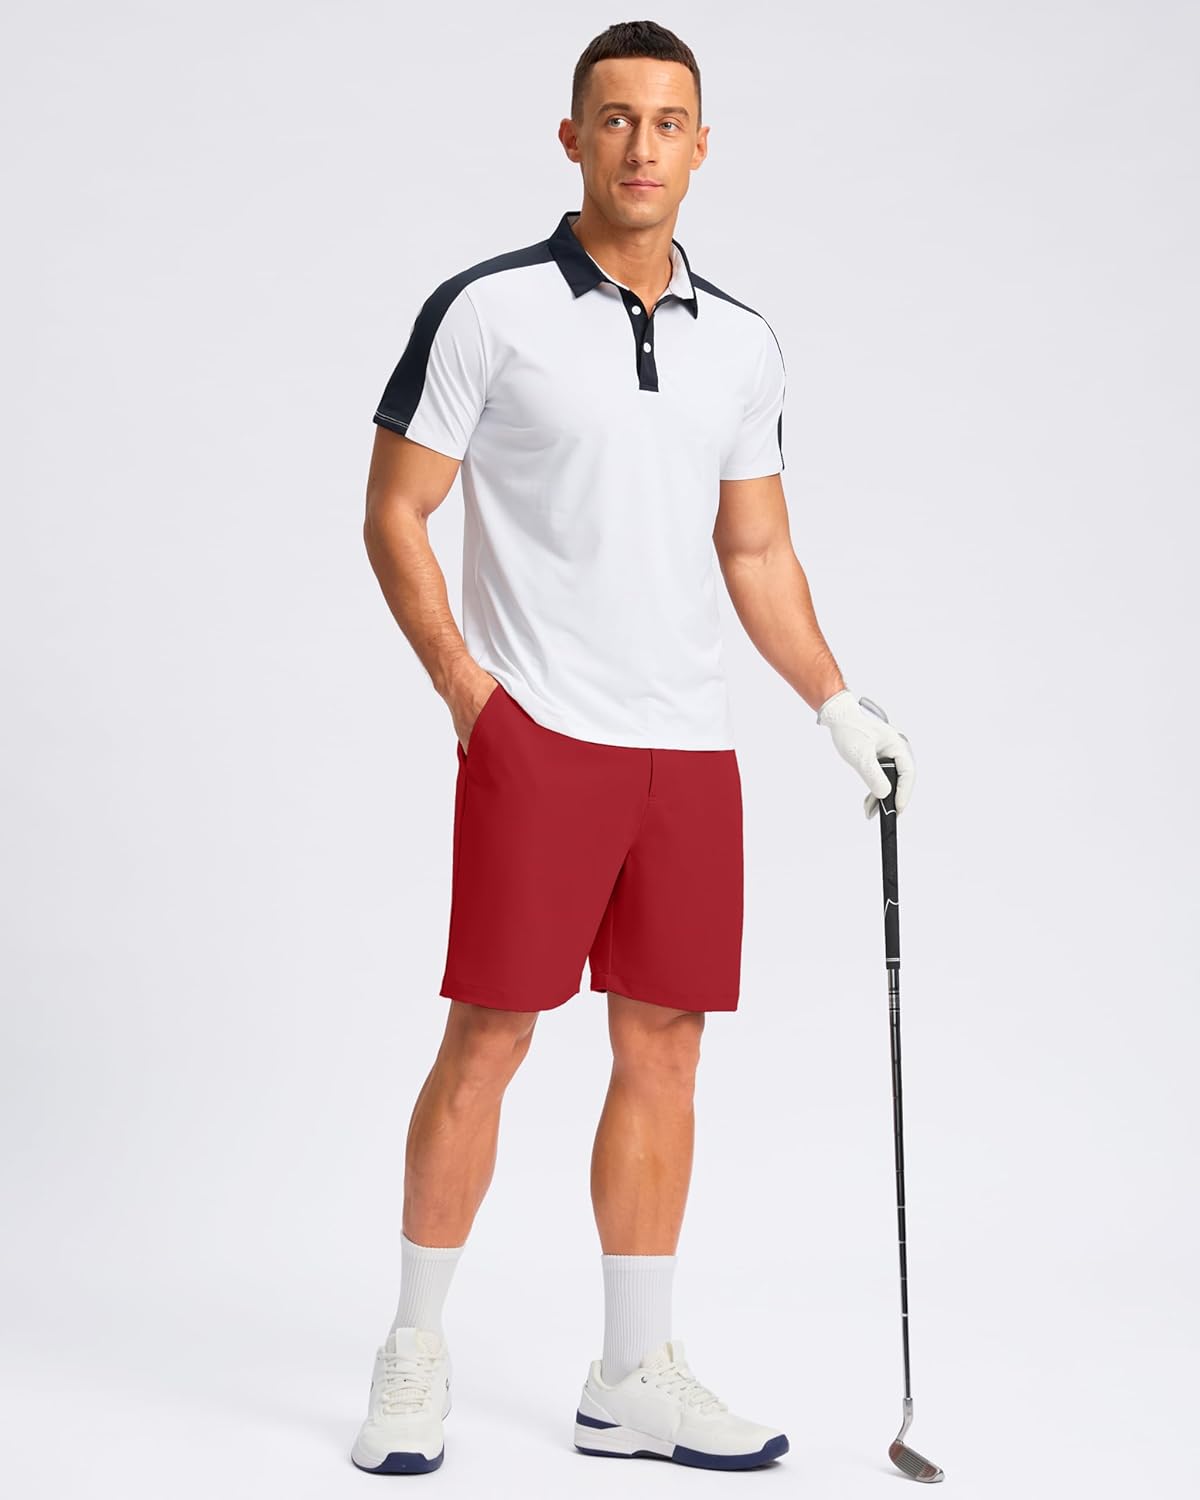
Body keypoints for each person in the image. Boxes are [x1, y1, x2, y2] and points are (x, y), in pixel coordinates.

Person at [351, 17, 916, 1478]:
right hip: (542, 737)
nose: (642, 145)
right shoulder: (488, 311)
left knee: (665, 1051)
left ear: (703, 146)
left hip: (688, 752)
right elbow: (395, 511)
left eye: (668, 122)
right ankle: (414, 1348)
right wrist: (471, 696)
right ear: (572, 138)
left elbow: (757, 549)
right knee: (490, 1037)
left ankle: (630, 1376)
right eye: (615, 119)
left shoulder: (744, 341)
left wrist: (836, 702)